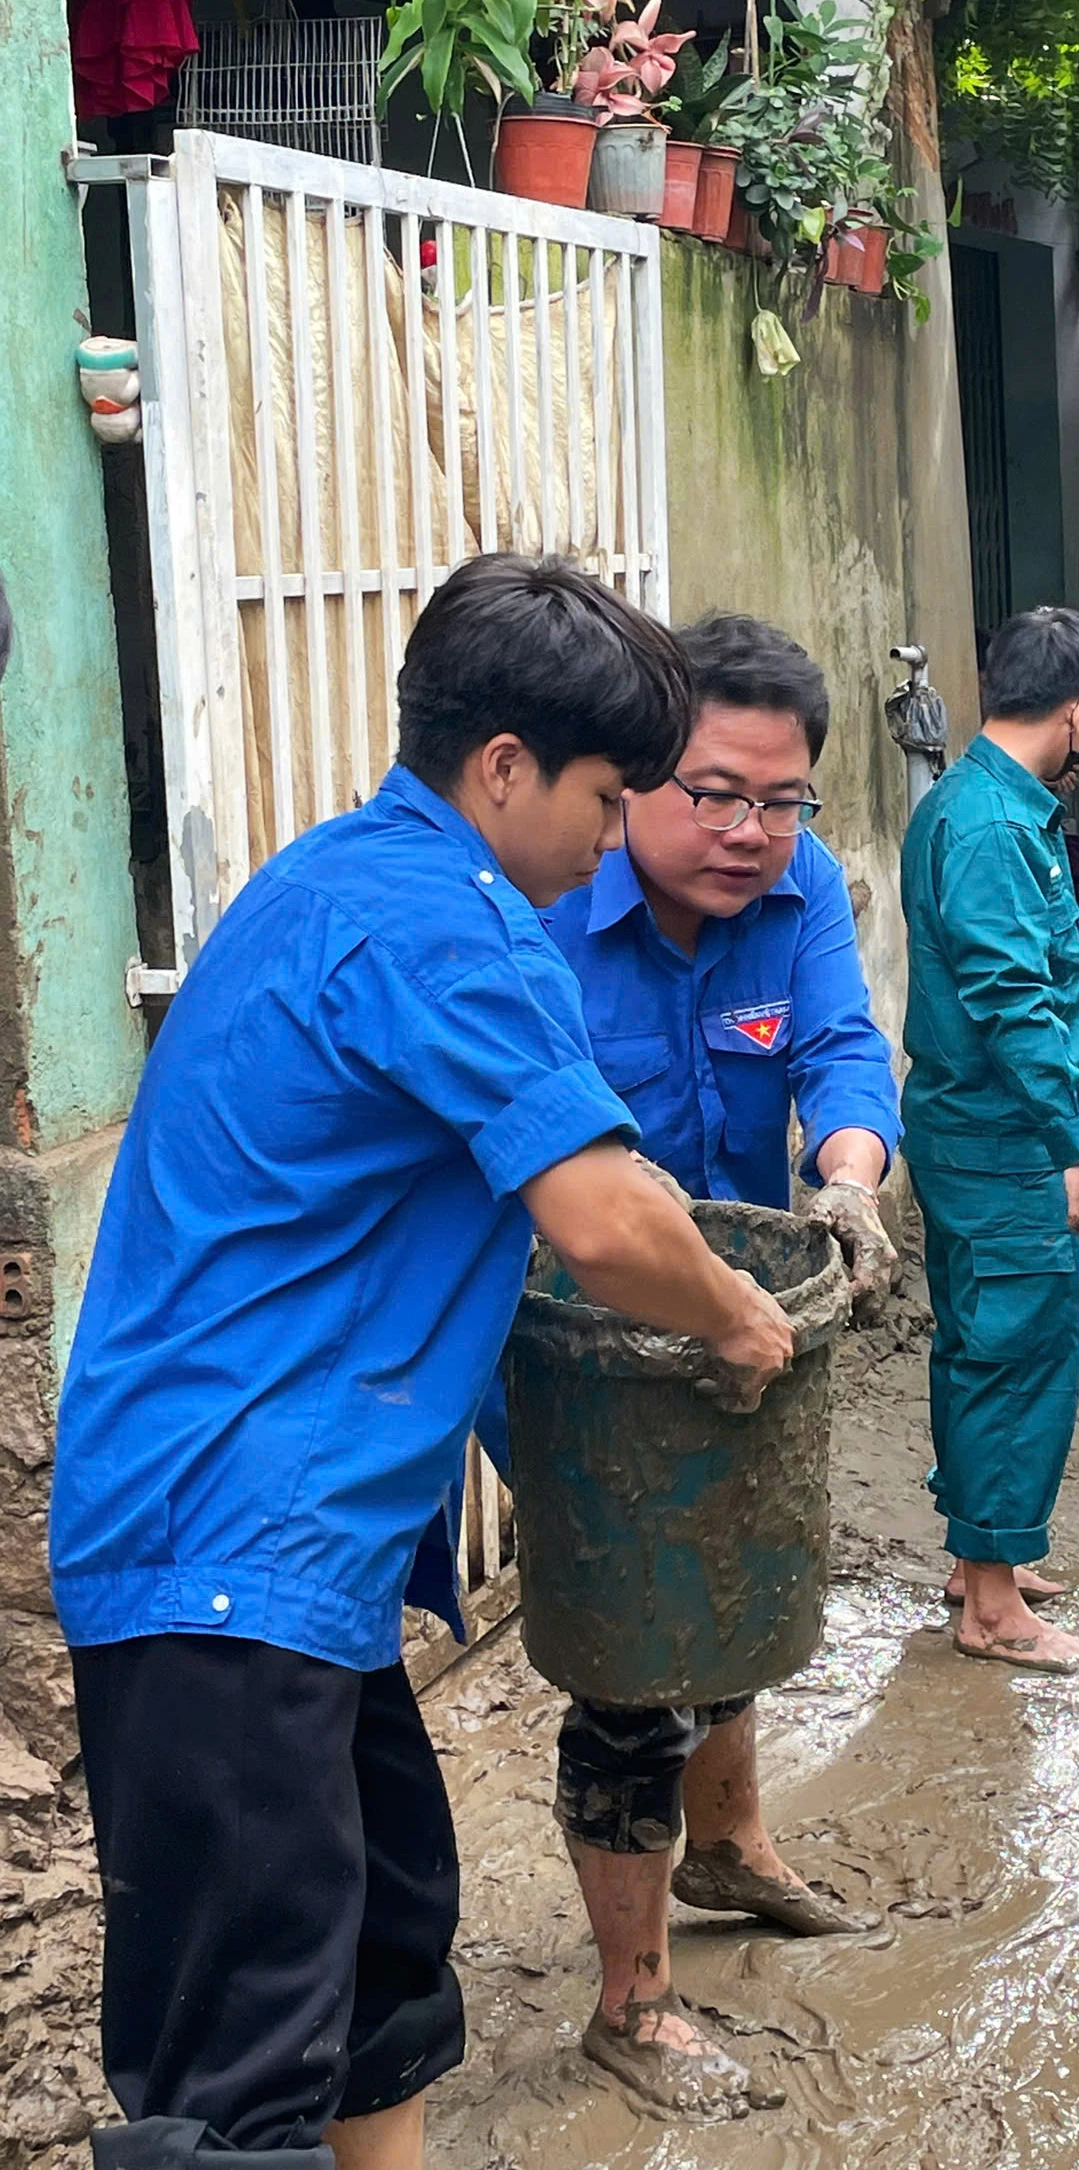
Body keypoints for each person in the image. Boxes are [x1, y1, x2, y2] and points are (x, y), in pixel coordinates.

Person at [47, 557, 798, 2170]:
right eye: (608, 801)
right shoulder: (443, 925)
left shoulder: (334, 877)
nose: (612, 842)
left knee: (384, 1944)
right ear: (506, 765)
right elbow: (600, 1220)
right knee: (235, 2067)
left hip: (292, 1557)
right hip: (219, 1545)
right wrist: (740, 1319)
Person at [533, 614, 899, 2112]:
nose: (752, 833)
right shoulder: (542, 912)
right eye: (713, 794)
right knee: (635, 1654)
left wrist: (853, 1174)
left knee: (738, 1575)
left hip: (745, 1311)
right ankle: (630, 1997)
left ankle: (731, 1846)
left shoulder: (798, 887)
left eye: (784, 798)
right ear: (631, 782)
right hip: (577, 1339)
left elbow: (839, 1048)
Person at [900, 607, 1079, 1677]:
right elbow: (1011, 997)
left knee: (975, 1337)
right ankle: (990, 1603)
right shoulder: (991, 827)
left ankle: (980, 1555)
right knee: (1017, 1348)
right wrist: (1077, 1142)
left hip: (975, 1126)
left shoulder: (987, 807)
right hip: (999, 1138)